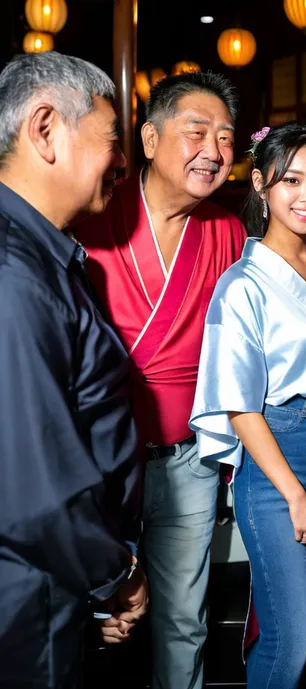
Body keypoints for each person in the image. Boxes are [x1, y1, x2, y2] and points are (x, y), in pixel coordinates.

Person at [75, 71, 247, 689]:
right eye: (196, 132)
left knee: (184, 618)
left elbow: (241, 349)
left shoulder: (226, 231)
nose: (213, 151)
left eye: (225, 139)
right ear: (148, 139)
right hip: (98, 463)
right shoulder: (95, 211)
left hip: (188, 459)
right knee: (95, 615)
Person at [190, 122, 306, 689]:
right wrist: (294, 495)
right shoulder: (242, 284)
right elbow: (240, 407)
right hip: (278, 459)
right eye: (291, 180)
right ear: (262, 183)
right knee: (292, 639)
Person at [0, 52, 146, 689]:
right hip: (29, 591)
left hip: (59, 576)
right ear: (44, 129)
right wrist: (116, 577)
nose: (119, 160)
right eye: (111, 139)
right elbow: (33, 487)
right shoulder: (14, 276)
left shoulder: (40, 253)